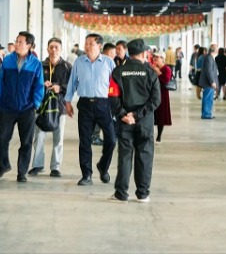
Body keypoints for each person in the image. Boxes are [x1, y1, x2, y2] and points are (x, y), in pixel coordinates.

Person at [108, 39, 161, 203]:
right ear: (144, 53)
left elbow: (112, 96)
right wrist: (137, 115)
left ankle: (121, 193)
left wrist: (123, 114)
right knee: (145, 156)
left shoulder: (118, 72)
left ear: (128, 53)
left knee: (124, 156)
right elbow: (156, 100)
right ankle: (143, 194)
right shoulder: (151, 73)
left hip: (125, 122)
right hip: (144, 122)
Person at [64, 33, 116, 186]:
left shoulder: (108, 62)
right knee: (85, 141)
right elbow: (72, 82)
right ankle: (86, 174)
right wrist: (67, 101)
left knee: (111, 140)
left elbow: (115, 85)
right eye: (86, 43)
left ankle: (103, 167)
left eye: (90, 43)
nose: (87, 46)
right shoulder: (79, 62)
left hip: (104, 105)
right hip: (85, 105)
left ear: (99, 46)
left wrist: (117, 105)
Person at [0, 31, 44, 183]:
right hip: (7, 107)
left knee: (26, 142)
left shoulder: (36, 64)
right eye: (16, 41)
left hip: (27, 109)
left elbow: (39, 86)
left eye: (20, 42)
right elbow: (1, 83)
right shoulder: (8, 60)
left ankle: (22, 172)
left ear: (29, 45)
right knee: (2, 137)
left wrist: (35, 104)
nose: (16, 44)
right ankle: (4, 165)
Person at [29, 37, 72, 178]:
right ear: (47, 49)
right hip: (42, 107)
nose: (53, 50)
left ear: (61, 49)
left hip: (59, 107)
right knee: (39, 137)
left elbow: (73, 86)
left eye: (56, 47)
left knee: (58, 139)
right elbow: (31, 83)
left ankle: (55, 167)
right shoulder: (40, 65)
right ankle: (37, 165)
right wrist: (42, 85)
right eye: (51, 47)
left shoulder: (67, 67)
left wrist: (60, 88)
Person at [151, 52, 172, 143]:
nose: (155, 59)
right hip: (152, 94)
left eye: (157, 57)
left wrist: (157, 72)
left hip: (162, 95)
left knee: (161, 116)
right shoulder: (151, 67)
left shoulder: (166, 69)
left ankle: (159, 136)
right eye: (154, 57)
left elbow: (165, 80)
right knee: (151, 115)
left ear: (162, 59)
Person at [199, 44, 218, 120]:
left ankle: (208, 113)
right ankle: (206, 114)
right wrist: (212, 81)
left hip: (209, 82)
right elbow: (209, 71)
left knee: (209, 99)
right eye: (217, 49)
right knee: (207, 98)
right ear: (214, 50)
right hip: (208, 82)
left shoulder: (210, 57)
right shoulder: (209, 58)